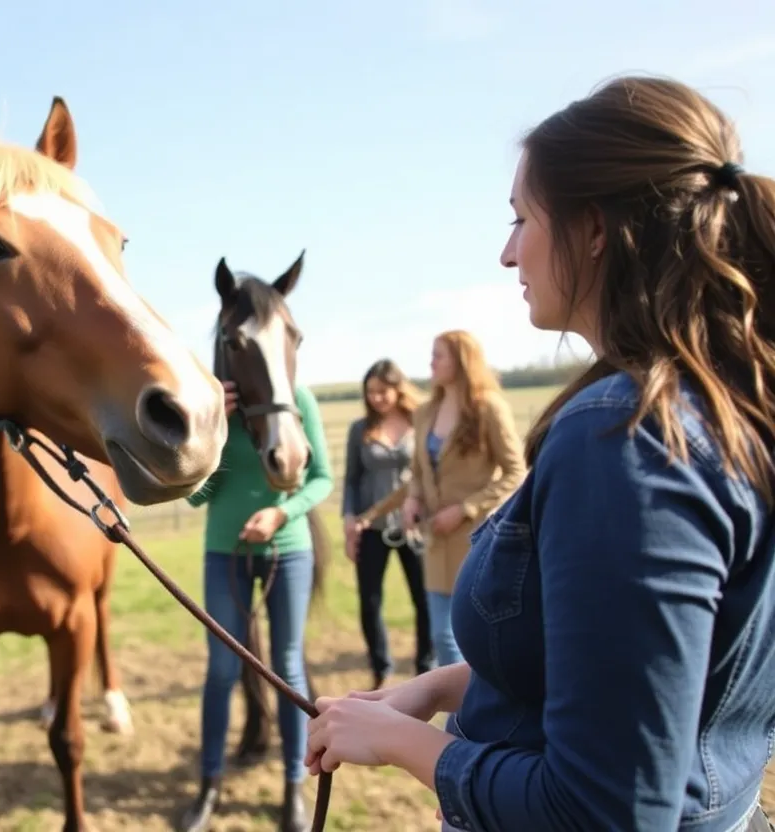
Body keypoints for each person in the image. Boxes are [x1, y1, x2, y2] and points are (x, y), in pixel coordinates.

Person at [304, 75, 775, 832]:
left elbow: (605, 812)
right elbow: (636, 672)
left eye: (522, 218)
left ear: (593, 230)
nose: (506, 251)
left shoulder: (628, 438)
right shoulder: (729, 401)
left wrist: (404, 743)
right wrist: (436, 689)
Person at [179, 378, 333, 832]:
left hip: (288, 551)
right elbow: (193, 494)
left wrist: (282, 513)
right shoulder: (212, 406)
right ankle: (209, 786)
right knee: (221, 672)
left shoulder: (298, 398)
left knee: (288, 669)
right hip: (223, 554)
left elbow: (322, 476)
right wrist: (211, 432)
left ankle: (293, 789)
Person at [357, 330, 525, 668]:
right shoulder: (426, 411)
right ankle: (457, 715)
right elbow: (418, 471)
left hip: (476, 539)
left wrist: (465, 508)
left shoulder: (489, 408)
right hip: (435, 541)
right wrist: (412, 500)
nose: (431, 362)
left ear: (462, 361)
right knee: (443, 639)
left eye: (439, 356)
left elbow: (516, 471)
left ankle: (470, 714)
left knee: (472, 638)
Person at [341, 359, 432, 690]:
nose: (376, 398)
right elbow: (351, 480)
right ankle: (381, 669)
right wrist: (349, 520)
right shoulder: (359, 429)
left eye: (383, 391)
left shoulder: (420, 423)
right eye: (370, 392)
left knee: (423, 599)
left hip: (415, 527)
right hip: (372, 529)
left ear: (398, 388)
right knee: (370, 601)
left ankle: (426, 666)